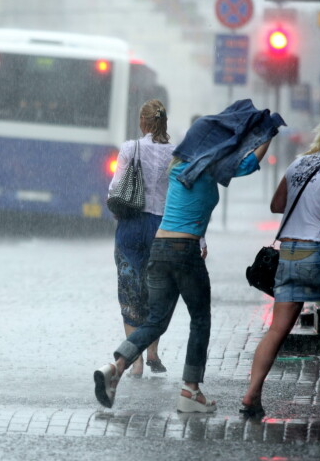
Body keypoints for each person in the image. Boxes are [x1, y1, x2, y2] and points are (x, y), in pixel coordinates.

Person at [95, 99, 284, 412]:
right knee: (201, 319)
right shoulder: (208, 167)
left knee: (156, 320)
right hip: (184, 251)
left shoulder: (178, 163)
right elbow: (249, 163)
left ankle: (115, 368)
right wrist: (267, 136)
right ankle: (190, 391)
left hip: (160, 249)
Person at [241, 111, 320, 416]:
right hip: (318, 253)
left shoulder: (298, 164)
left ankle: (252, 394)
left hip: (289, 253)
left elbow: (276, 205)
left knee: (277, 329)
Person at [109, 99, 177, 378]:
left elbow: (114, 187)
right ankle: (152, 352)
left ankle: (134, 359)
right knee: (157, 290)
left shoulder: (129, 148)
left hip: (131, 223)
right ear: (163, 122)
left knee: (129, 289)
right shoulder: (176, 153)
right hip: (162, 226)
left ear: (143, 122)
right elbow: (180, 196)